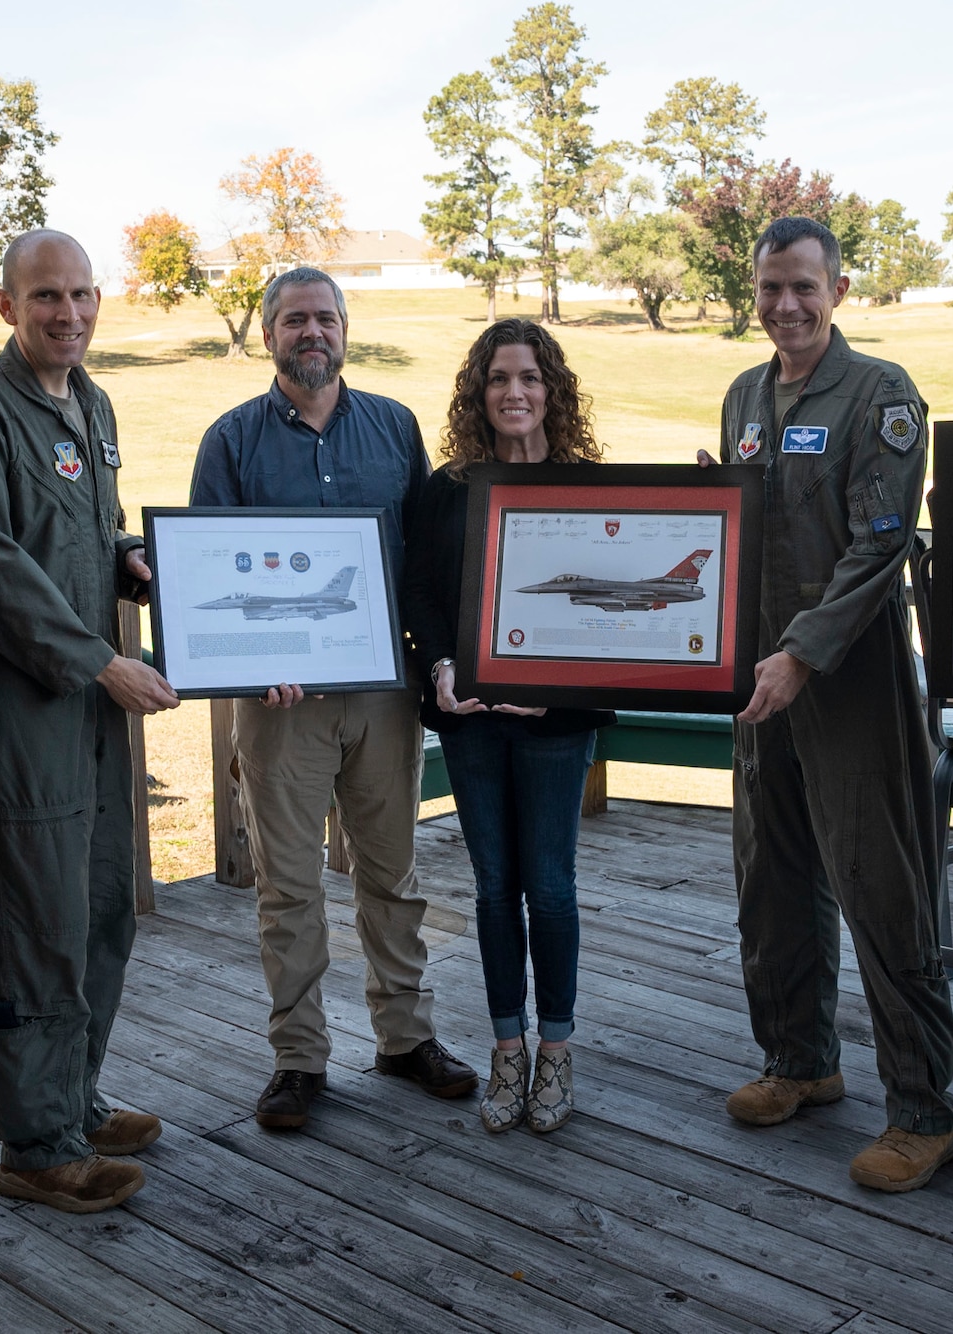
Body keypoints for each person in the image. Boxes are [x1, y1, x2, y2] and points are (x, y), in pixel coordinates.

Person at [0, 229, 177, 1213]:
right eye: (44, 298)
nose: (66, 314)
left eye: (80, 295)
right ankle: (32, 1143)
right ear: (5, 306)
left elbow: (68, 537)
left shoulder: (93, 402)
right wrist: (96, 659)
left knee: (102, 900)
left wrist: (127, 562)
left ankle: (74, 1097)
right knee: (32, 920)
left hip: (96, 706)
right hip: (26, 710)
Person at [704, 216, 953, 1193]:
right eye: (770, 288)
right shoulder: (741, 393)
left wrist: (802, 655)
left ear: (838, 289)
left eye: (803, 286)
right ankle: (799, 1061)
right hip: (757, 686)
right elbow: (739, 529)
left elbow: (878, 547)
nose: (785, 306)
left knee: (879, 891)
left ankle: (921, 1110)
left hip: (846, 683)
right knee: (769, 880)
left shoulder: (879, 395)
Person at [191, 267, 478, 1129]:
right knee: (288, 885)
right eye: (292, 320)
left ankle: (403, 1036)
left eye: (324, 319)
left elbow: (424, 559)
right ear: (270, 333)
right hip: (283, 708)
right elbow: (206, 570)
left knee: (393, 872)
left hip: (384, 689)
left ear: (345, 330)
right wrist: (254, 665)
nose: (310, 333)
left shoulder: (394, 428)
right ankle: (299, 1058)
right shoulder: (231, 440)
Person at [401, 319, 613, 1134]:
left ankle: (556, 1051)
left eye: (529, 377)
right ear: (477, 394)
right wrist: (444, 667)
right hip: (471, 718)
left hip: (556, 722)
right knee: (495, 890)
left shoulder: (589, 486)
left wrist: (554, 686)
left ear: (552, 390)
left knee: (550, 888)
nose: (514, 393)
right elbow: (418, 590)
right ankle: (507, 1050)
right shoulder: (449, 486)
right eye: (497, 379)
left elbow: (606, 613)